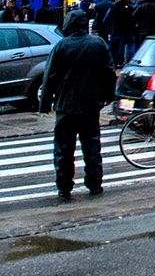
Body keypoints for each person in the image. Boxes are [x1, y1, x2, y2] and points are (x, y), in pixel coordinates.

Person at [41, 13, 115, 201]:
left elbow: (49, 76)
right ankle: (95, 183)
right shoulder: (98, 44)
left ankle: (64, 186)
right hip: (91, 103)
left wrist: (45, 103)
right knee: (91, 145)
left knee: (64, 149)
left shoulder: (61, 46)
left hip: (66, 104)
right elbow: (109, 72)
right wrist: (107, 96)